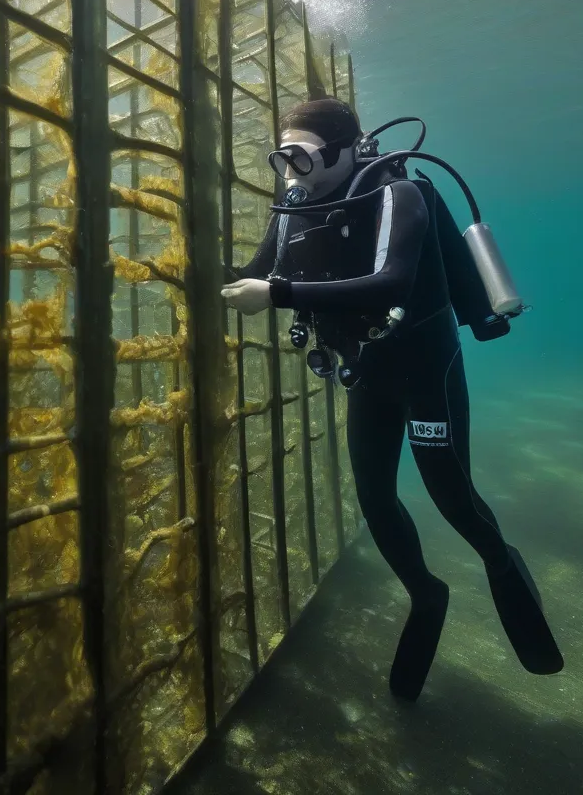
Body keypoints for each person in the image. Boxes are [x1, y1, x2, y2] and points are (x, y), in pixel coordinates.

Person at [221, 97, 563, 701]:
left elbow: (391, 282)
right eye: (282, 158)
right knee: (376, 499)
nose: (291, 173)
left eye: (301, 157)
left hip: (424, 368)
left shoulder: (400, 195)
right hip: (367, 374)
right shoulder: (294, 208)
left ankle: (499, 562)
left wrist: (273, 295)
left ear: (347, 150)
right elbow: (250, 272)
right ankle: (426, 594)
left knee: (451, 495)